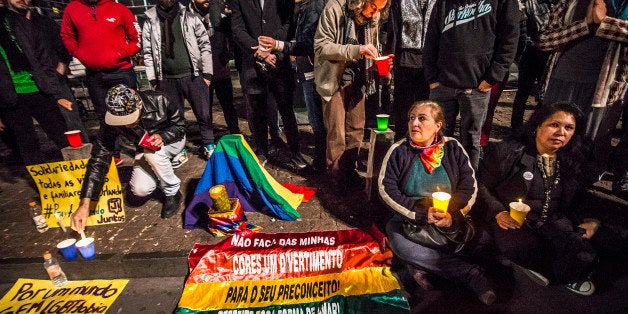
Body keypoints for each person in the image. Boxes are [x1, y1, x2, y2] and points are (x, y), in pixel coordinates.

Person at [378, 101, 497, 305]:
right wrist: (420, 214)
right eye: (411, 118)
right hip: (410, 220)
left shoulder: (453, 148)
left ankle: (418, 268)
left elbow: (469, 186)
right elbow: (386, 189)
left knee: (485, 240)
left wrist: (453, 215)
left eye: (422, 118)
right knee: (400, 242)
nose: (414, 123)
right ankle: (471, 274)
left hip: (448, 219)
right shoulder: (399, 150)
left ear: (438, 125)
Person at [476, 102, 599, 295]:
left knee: (585, 253)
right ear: (537, 126)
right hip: (512, 219)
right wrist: (498, 212)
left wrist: (592, 222)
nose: (561, 132)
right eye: (554, 125)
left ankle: (554, 267)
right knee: (525, 248)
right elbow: (481, 185)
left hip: (552, 220)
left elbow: (580, 196)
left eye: (569, 128)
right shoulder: (509, 152)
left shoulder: (571, 158)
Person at [70, 84, 186, 233]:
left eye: (129, 119)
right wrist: (85, 203)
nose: (126, 124)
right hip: (145, 149)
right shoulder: (110, 119)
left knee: (153, 154)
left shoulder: (160, 99)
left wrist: (162, 136)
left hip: (172, 141)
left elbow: (180, 126)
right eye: (121, 121)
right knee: (140, 191)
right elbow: (99, 158)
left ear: (139, 104)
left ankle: (172, 192)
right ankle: (159, 170)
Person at [423, 0, 520, 169]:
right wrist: (432, 77)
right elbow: (431, 38)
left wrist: (493, 76)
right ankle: (434, 181)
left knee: (471, 140)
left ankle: (468, 186)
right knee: (435, 137)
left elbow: (510, 38)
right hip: (442, 84)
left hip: (477, 85)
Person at [313, 0, 389, 190]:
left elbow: (373, 45)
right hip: (334, 79)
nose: (374, 13)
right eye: (373, 7)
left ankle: (350, 171)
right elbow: (321, 47)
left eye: (380, 9)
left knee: (356, 129)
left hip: (359, 79)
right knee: (336, 133)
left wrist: (379, 63)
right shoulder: (335, 8)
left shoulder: (374, 16)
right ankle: (337, 178)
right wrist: (358, 50)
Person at [61, 0, 141, 166]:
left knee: (132, 114)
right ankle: (114, 154)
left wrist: (120, 53)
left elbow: (137, 38)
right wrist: (80, 53)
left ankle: (141, 148)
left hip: (121, 71)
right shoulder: (72, 9)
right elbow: (67, 36)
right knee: (104, 118)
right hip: (94, 75)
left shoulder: (119, 9)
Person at [230, 0, 308, 170]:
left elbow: (289, 23)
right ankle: (261, 151)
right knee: (256, 111)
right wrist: (258, 51)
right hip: (252, 63)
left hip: (278, 61)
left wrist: (272, 45)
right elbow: (237, 29)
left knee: (287, 111)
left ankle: (295, 152)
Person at [258, 0, 327, 172]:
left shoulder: (314, 6)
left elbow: (307, 44)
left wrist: (278, 45)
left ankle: (322, 161)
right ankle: (323, 159)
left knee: (317, 118)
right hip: (309, 68)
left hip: (313, 69)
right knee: (316, 117)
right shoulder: (303, 7)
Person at [8, 0, 90, 144]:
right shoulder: (8, 25)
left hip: (56, 80)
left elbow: (64, 47)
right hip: (31, 83)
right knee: (53, 130)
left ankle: (85, 159)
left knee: (72, 124)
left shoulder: (44, 22)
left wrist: (61, 68)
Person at [142, 0, 216, 161]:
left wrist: (207, 74)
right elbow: (147, 53)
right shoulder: (150, 21)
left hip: (193, 75)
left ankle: (209, 144)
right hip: (166, 79)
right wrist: (153, 79)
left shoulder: (190, 17)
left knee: (203, 113)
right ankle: (178, 147)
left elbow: (205, 45)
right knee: (174, 118)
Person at [0, 1, 70, 165]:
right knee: (28, 144)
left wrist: (55, 92)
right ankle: (45, 186)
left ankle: (80, 178)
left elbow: (43, 59)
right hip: (9, 97)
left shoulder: (20, 22)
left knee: (63, 136)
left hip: (39, 90)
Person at [383, 0, 436, 140]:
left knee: (426, 109)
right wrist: (388, 64)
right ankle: (401, 147)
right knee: (403, 110)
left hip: (431, 61)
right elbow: (392, 31)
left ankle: (424, 146)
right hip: (405, 61)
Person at [189, 0, 242, 136]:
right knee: (204, 109)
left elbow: (233, 35)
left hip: (220, 69)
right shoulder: (186, 17)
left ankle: (235, 136)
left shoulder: (219, 14)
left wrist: (228, 53)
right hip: (199, 71)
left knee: (228, 106)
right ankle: (208, 140)